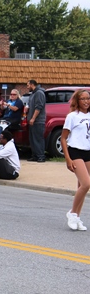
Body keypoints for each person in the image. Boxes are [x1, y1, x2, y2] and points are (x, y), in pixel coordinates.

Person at [61, 89, 90, 231]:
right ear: (77, 101)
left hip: (87, 152)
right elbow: (63, 138)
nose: (86, 101)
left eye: (88, 99)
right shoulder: (72, 116)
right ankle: (72, 213)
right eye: (83, 99)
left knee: (82, 188)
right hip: (75, 151)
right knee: (86, 184)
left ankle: (77, 217)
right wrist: (67, 159)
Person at [26, 79, 46, 162]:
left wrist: (33, 118)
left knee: (38, 138)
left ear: (32, 84)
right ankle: (35, 155)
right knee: (32, 139)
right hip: (32, 120)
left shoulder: (39, 93)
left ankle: (41, 156)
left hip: (38, 121)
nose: (27, 87)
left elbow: (39, 107)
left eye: (28, 85)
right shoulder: (33, 94)